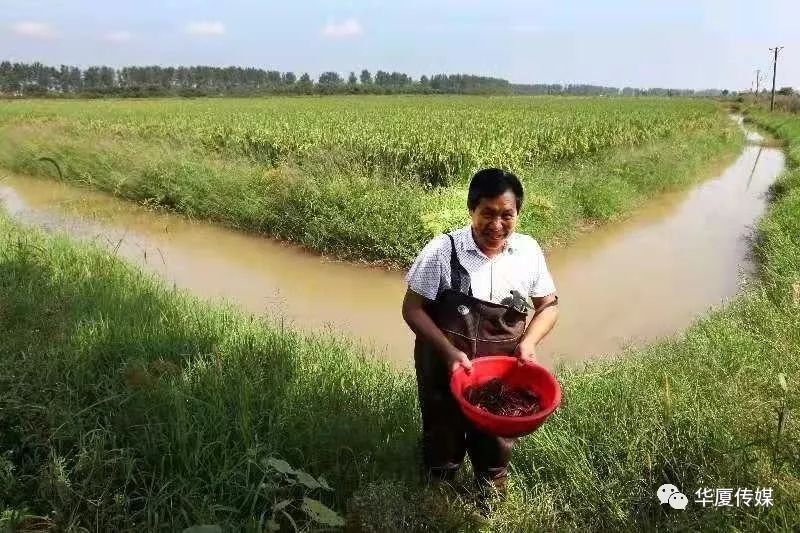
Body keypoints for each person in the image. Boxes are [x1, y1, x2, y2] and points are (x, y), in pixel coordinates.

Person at [401, 167, 559, 498]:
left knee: (495, 443)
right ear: (471, 209)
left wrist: (528, 344)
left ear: (518, 214)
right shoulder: (442, 252)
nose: (497, 225)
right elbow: (412, 309)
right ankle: (438, 497)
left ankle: (490, 497)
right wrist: (448, 353)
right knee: (442, 436)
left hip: (500, 372)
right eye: (487, 213)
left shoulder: (528, 253)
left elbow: (548, 306)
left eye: (507, 215)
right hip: (445, 367)